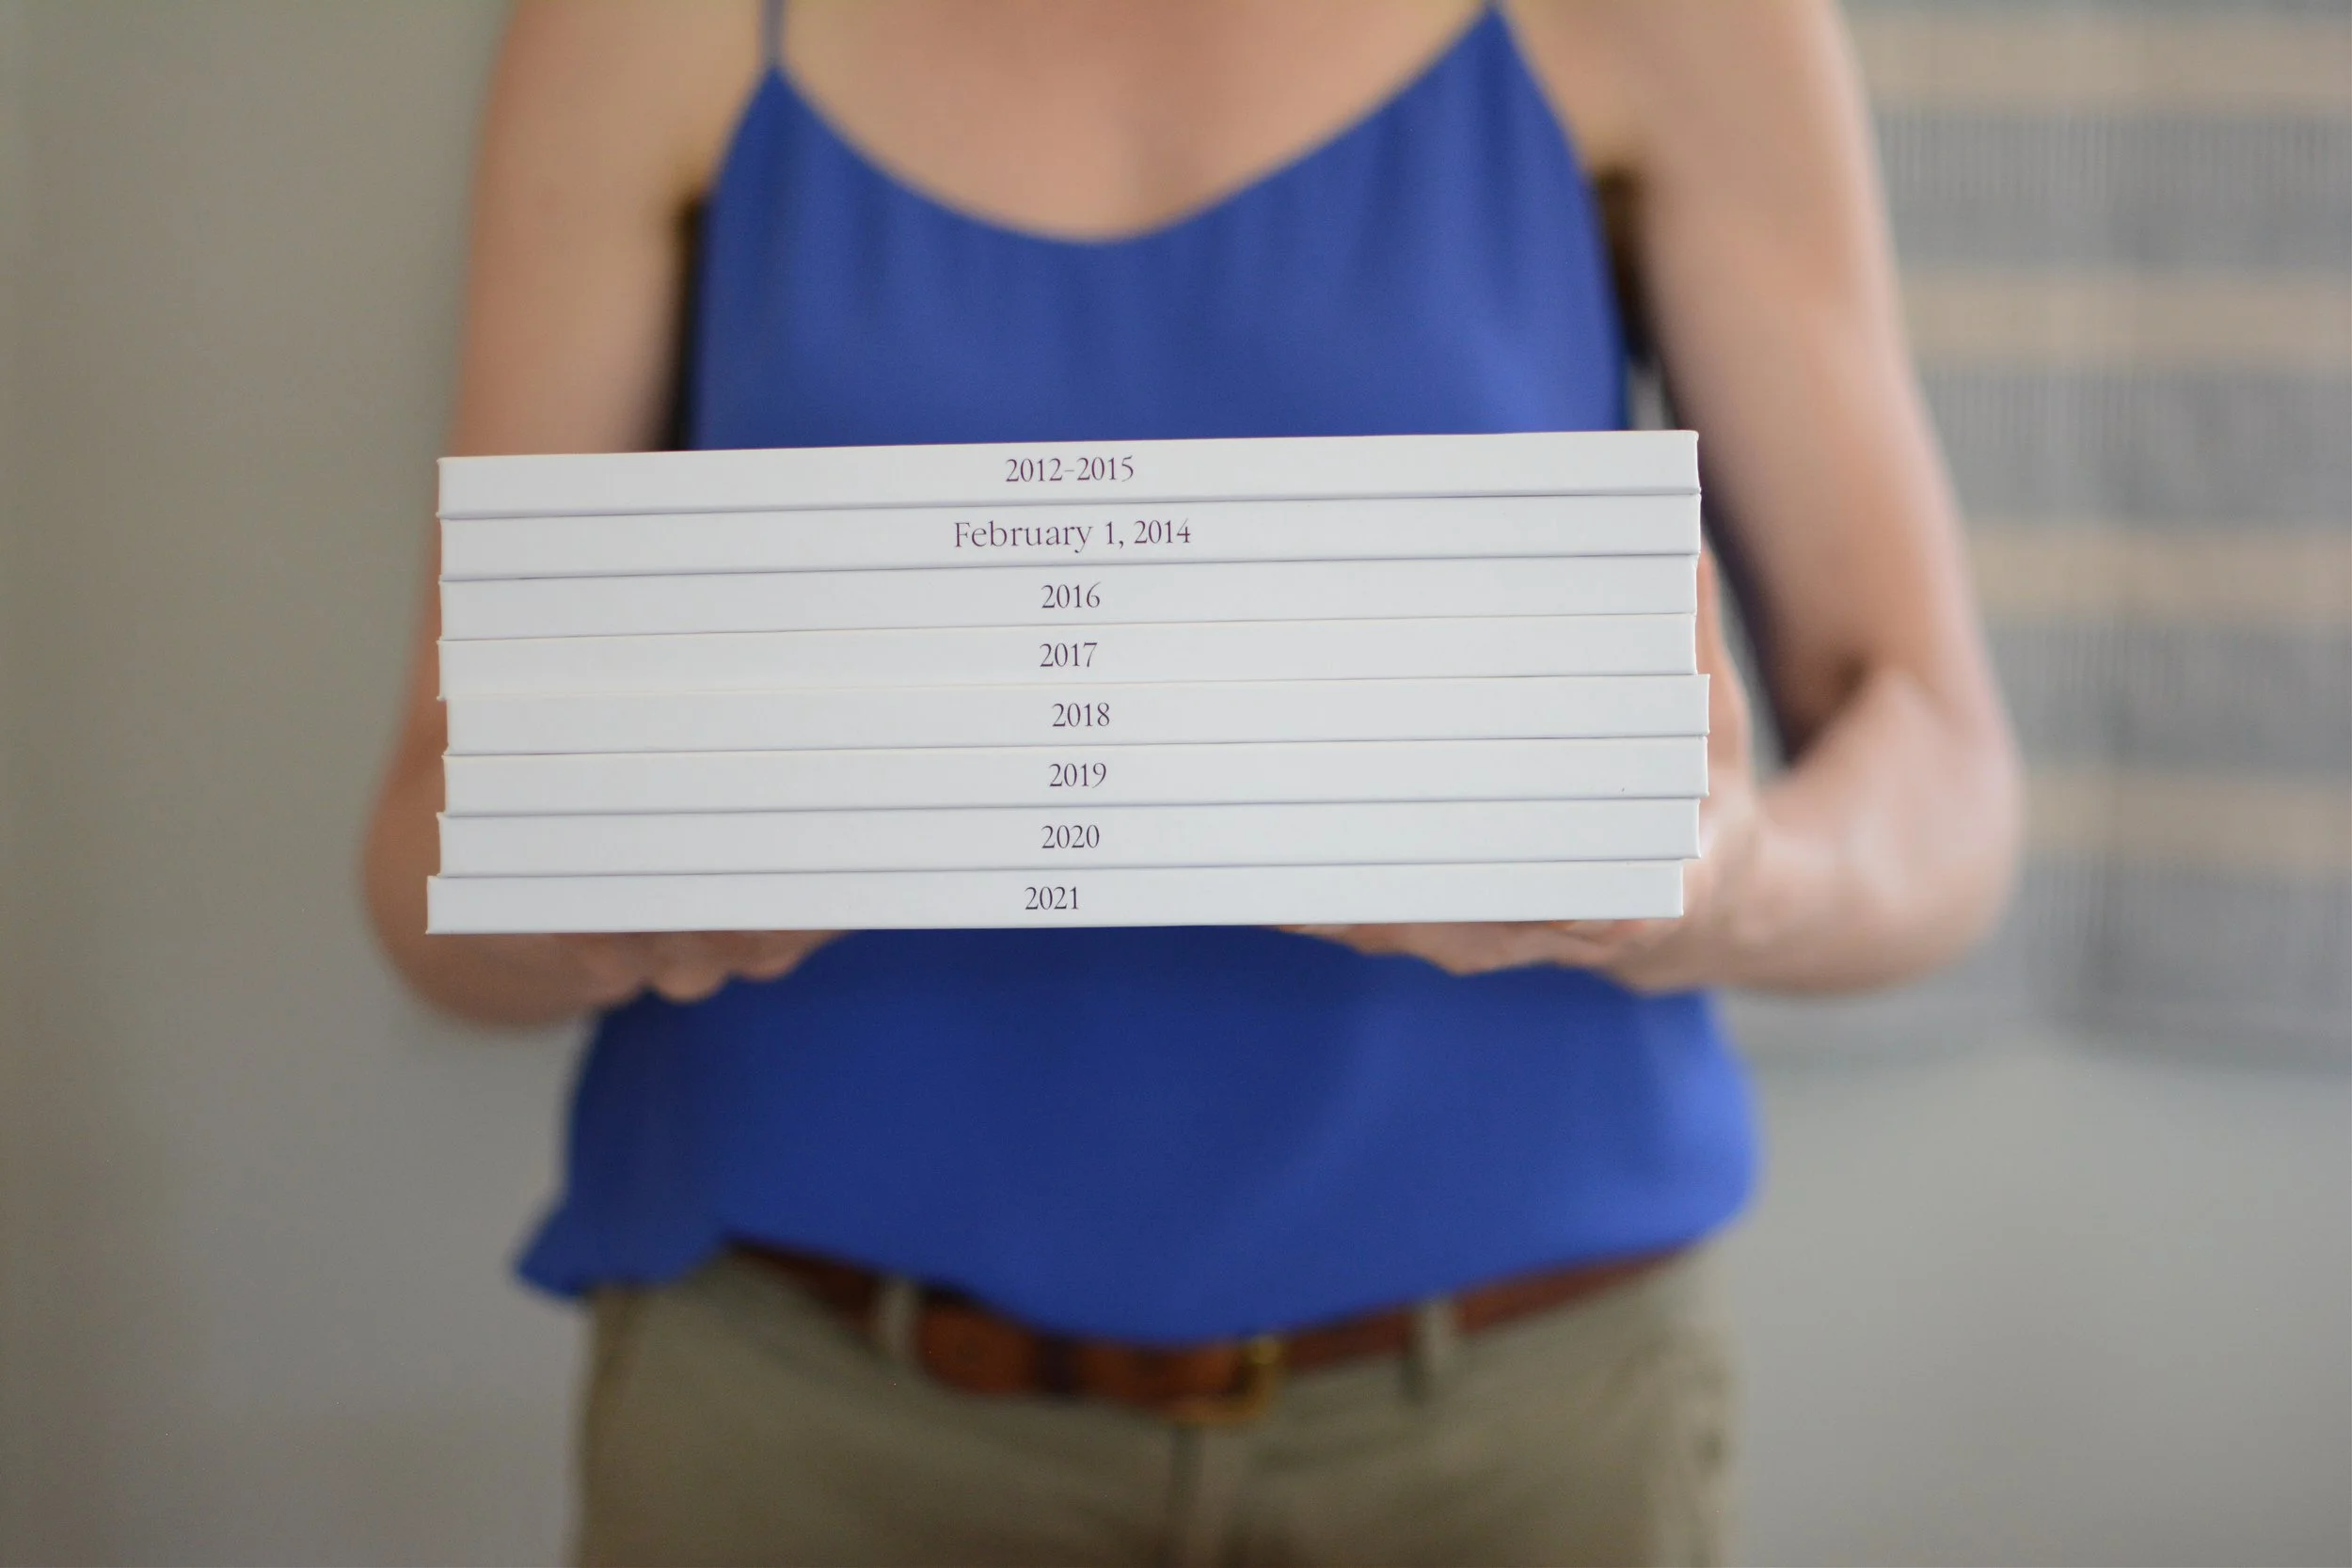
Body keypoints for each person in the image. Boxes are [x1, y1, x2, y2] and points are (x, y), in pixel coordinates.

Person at [364, 3, 2020, 1563]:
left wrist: (1736, 880)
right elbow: (429, 864)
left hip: (1522, 1424)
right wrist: (586, 892)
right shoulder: (646, 27)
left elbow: (1945, 778)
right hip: (802, 1417)